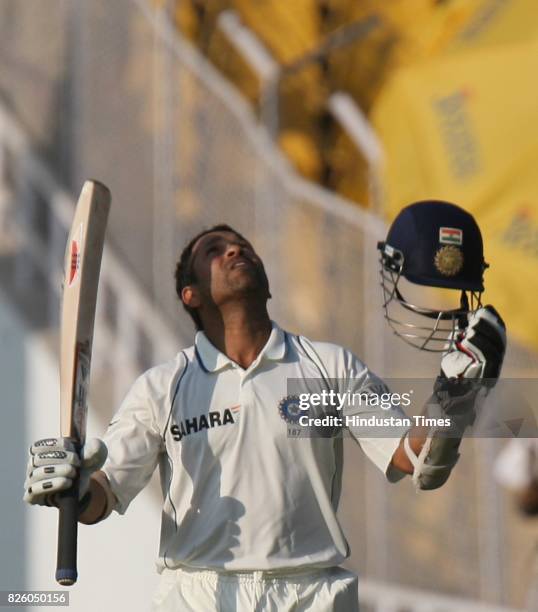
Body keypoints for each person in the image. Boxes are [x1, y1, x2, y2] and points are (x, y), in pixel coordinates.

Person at [24, 212, 506, 611]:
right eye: (214, 250)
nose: (235, 251)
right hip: (199, 593)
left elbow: (412, 460)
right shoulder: (163, 387)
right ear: (190, 296)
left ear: (267, 284)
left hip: (312, 595)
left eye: (242, 247)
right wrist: (75, 488)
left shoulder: (327, 369)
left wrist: (454, 398)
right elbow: (103, 497)